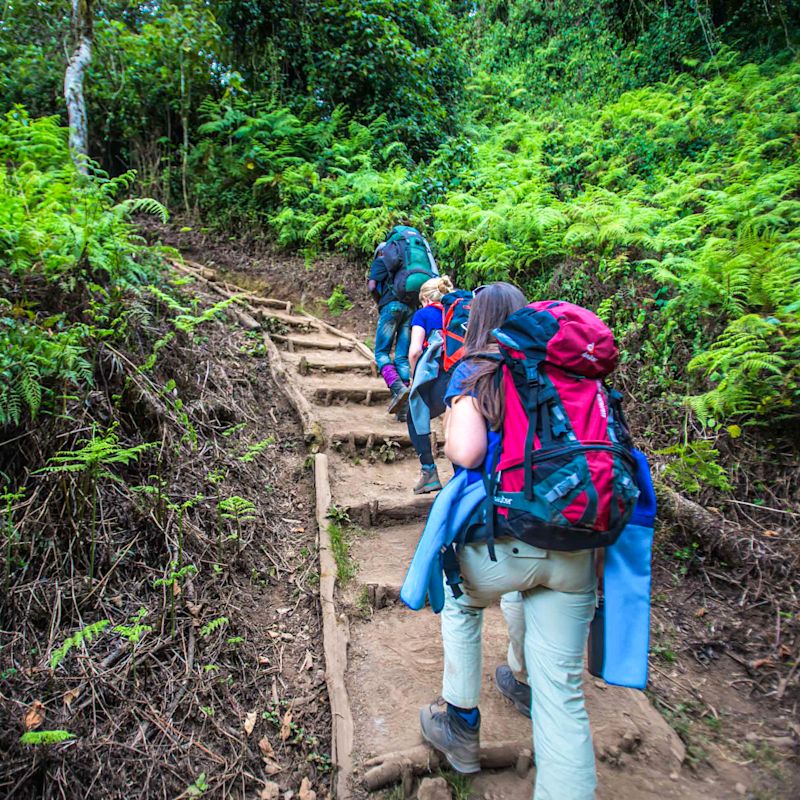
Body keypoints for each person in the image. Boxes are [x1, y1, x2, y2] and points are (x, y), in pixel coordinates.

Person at [419, 282, 598, 800]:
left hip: (504, 538)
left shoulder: (477, 369)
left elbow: (467, 453)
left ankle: (460, 724)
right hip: (575, 538)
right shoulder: (563, 369)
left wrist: (455, 416)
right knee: (564, 695)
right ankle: (523, 680)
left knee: (459, 602)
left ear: (477, 321)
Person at [406, 275, 455, 494]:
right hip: (464, 374)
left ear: (425, 298)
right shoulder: (456, 313)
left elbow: (415, 350)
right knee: (457, 419)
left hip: (439, 377)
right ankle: (463, 479)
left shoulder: (423, 314)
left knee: (413, 415)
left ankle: (429, 472)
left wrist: (413, 376)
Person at [368, 242, 413, 421]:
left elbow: (372, 287)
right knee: (402, 356)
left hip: (391, 307)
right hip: (410, 309)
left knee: (381, 352)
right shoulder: (405, 265)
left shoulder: (381, 261)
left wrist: (380, 302)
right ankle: (404, 410)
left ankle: (397, 388)